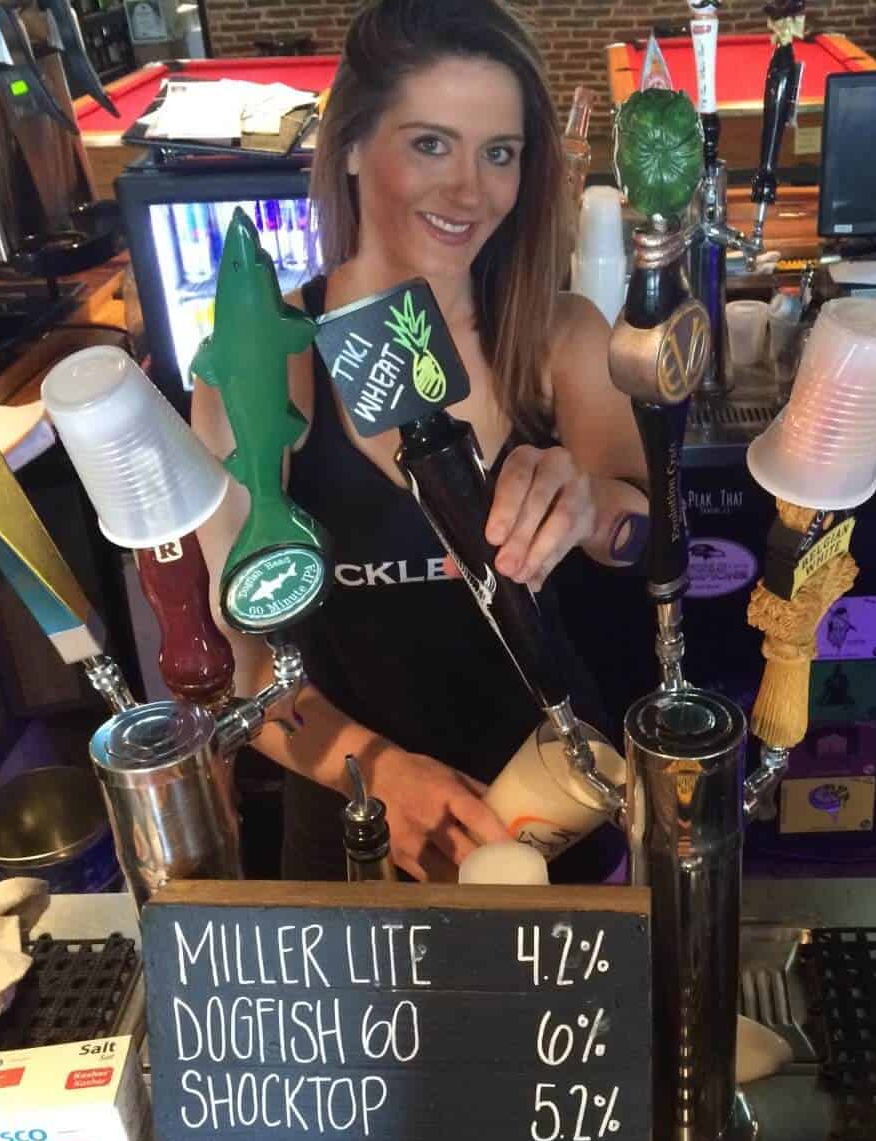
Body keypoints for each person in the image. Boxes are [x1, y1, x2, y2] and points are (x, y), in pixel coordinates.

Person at [192, 0, 648, 883]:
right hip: (359, 846)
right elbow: (240, 668)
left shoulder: (561, 337)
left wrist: (590, 506)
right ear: (351, 146)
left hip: (558, 812)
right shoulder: (262, 366)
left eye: (499, 153)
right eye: (431, 144)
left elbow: (646, 537)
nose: (470, 192)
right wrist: (378, 774)